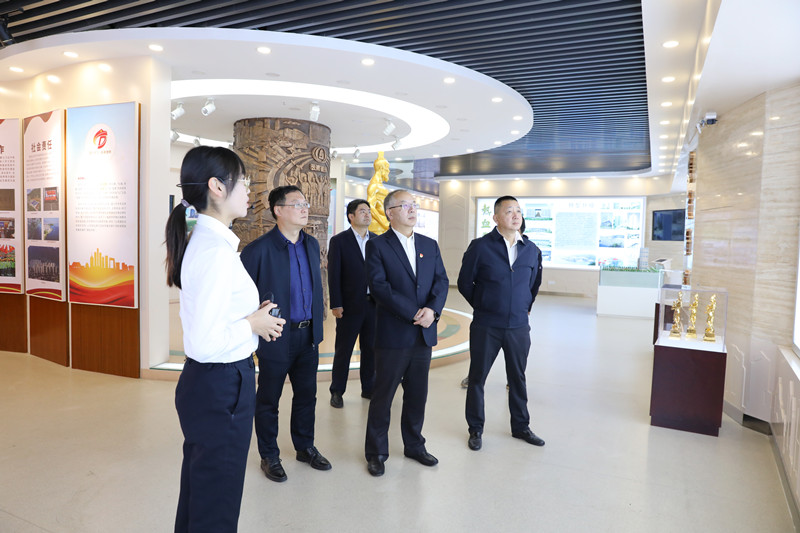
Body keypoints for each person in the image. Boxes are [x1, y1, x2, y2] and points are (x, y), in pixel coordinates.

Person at [166, 146, 285, 533]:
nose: (249, 190)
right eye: (243, 181)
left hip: (212, 385)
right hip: (221, 385)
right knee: (216, 503)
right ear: (217, 187)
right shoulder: (214, 250)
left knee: (202, 493)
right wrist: (252, 325)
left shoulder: (209, 242)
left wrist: (251, 318)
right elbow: (205, 343)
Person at [240, 185, 330, 483]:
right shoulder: (257, 250)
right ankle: (269, 455)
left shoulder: (311, 244)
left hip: (308, 335)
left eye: (305, 203)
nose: (305, 208)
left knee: (307, 396)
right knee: (269, 399)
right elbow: (241, 297)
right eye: (297, 204)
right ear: (278, 210)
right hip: (275, 335)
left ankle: (305, 447)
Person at [364, 190, 449, 476]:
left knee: (417, 395)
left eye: (415, 205)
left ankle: (414, 445)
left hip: (423, 334)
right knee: (383, 396)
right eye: (405, 206)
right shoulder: (377, 246)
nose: (413, 210)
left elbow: (441, 281)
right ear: (390, 213)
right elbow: (379, 287)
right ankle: (376, 452)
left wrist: (432, 310)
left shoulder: (429, 244)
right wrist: (414, 312)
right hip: (393, 334)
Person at [457, 195, 544, 452]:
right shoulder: (480, 247)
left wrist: (523, 306)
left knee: (517, 377)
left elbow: (533, 284)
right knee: (477, 378)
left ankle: (521, 426)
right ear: (496, 218)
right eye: (509, 211)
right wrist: (484, 304)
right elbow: (464, 282)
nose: (515, 215)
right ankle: (475, 429)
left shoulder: (531, 249)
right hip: (487, 324)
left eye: (518, 211)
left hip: (518, 326)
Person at [327, 199, 377, 408]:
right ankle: (337, 391)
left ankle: (369, 388)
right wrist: (336, 303)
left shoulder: (377, 240)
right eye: (362, 211)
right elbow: (334, 274)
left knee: (371, 349)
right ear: (351, 216)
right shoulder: (339, 241)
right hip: (349, 306)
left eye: (369, 211)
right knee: (344, 350)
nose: (367, 214)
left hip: (374, 305)